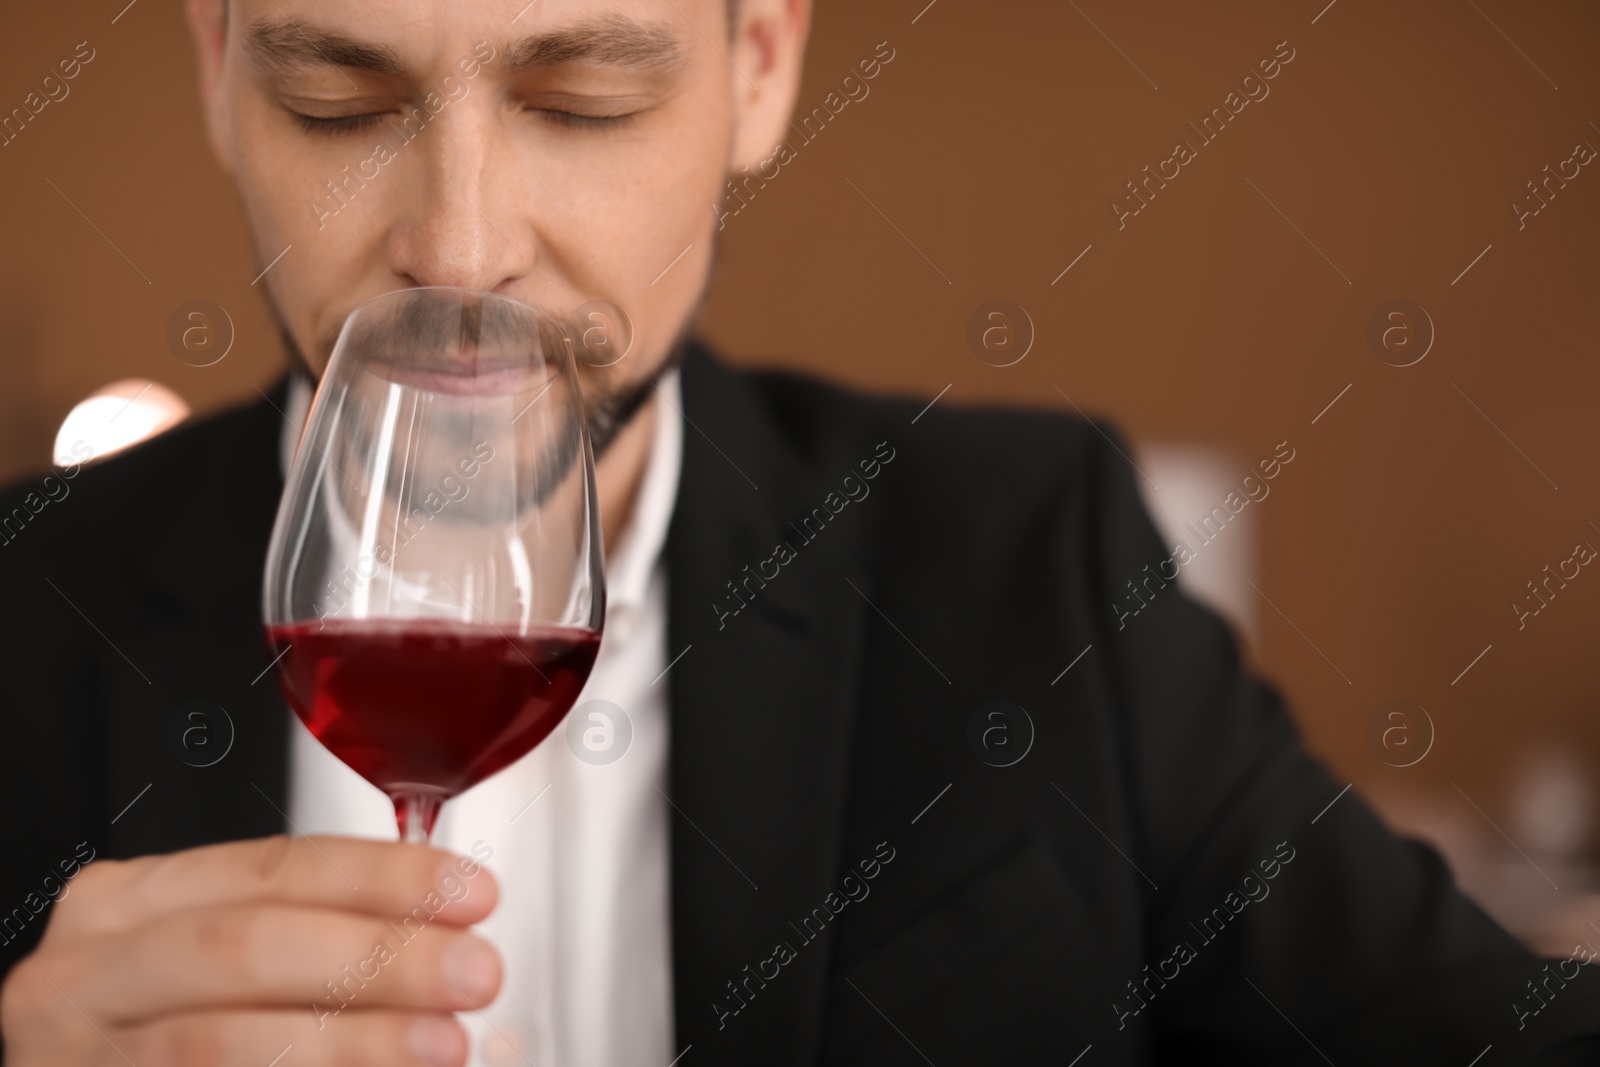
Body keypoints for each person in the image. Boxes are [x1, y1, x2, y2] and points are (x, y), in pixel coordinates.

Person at [0, 1, 1596, 1064]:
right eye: (341, 99)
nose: (462, 248)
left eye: (584, 100)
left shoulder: (1032, 563)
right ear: (216, 66)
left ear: (760, 62)